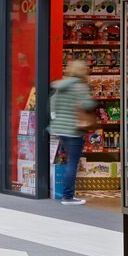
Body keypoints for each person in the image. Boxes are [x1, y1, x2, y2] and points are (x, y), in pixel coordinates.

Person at [48, 59, 97, 205]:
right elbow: (88, 104)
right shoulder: (80, 87)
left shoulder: (61, 85)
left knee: (69, 160)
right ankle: (68, 196)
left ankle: (66, 194)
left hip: (60, 129)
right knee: (72, 162)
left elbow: (52, 104)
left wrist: (56, 119)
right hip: (74, 129)